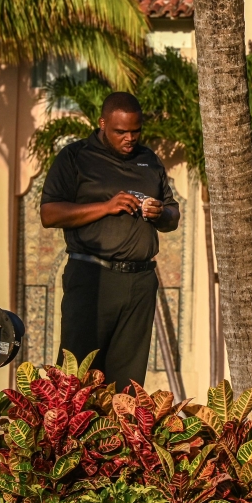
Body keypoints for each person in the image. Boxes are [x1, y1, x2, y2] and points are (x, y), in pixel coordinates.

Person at [40, 92, 180, 390]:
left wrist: (160, 212)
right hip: (92, 278)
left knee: (127, 382)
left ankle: (118, 436)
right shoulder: (75, 157)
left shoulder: (149, 160)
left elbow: (173, 215)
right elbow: (49, 213)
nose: (129, 138)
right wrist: (106, 206)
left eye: (135, 131)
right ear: (102, 123)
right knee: (78, 377)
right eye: (120, 132)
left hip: (140, 281)